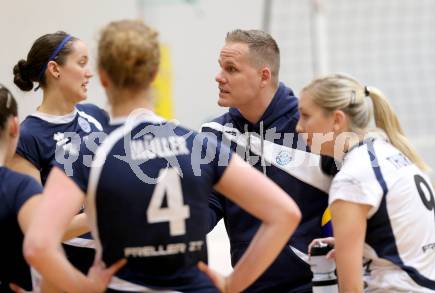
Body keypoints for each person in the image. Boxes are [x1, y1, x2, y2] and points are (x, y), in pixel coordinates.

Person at [24, 19, 302, 293]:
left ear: (103, 76)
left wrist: (86, 288)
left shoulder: (88, 151)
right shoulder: (200, 144)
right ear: (156, 74)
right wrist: (233, 284)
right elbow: (285, 213)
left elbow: (37, 243)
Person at [201, 29, 335, 292]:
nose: (219, 77)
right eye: (221, 67)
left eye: (231, 69)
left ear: (264, 76)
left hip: (315, 287)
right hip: (250, 286)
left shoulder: (313, 128)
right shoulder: (214, 135)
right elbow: (205, 209)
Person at [297, 73, 435, 292]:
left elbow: (351, 289)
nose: (298, 127)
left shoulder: (352, 178)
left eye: (306, 115)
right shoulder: (386, 152)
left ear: (337, 120)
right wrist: (360, 246)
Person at [10, 31, 109, 275]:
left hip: (110, 257)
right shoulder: (28, 137)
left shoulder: (96, 116)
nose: (90, 73)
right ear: (55, 69)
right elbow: (39, 228)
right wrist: (105, 214)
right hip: (67, 265)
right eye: (82, 63)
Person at [0, 85, 92, 292]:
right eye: (81, 62)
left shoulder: (91, 116)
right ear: (15, 127)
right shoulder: (18, 187)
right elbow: (41, 247)